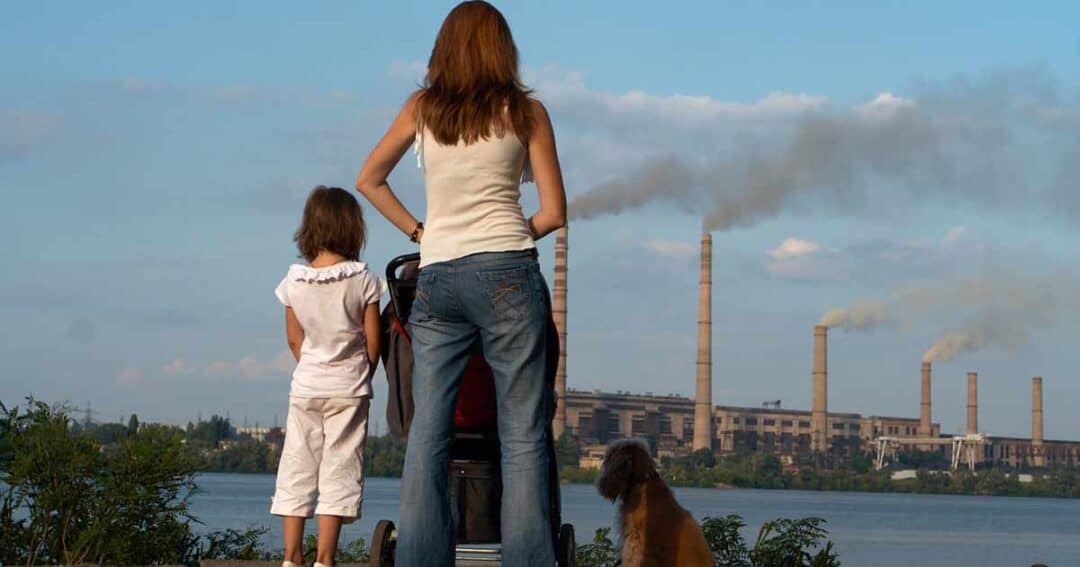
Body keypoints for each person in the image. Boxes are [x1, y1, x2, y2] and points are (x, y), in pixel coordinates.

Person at [355, 1, 567, 564]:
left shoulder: (423, 109)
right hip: (508, 274)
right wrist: (512, 232)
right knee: (522, 436)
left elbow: (368, 178)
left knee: (428, 434)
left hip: (439, 277)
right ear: (504, 48)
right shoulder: (526, 112)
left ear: (443, 49)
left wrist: (420, 231)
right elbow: (554, 212)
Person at [270, 186, 383, 567]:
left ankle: (291, 556)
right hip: (348, 389)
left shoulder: (295, 280)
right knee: (340, 468)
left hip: (306, 387)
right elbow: (373, 341)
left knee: (297, 466)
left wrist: (312, 364)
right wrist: (358, 371)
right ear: (353, 228)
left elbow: (293, 338)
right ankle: (325, 558)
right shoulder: (363, 279)